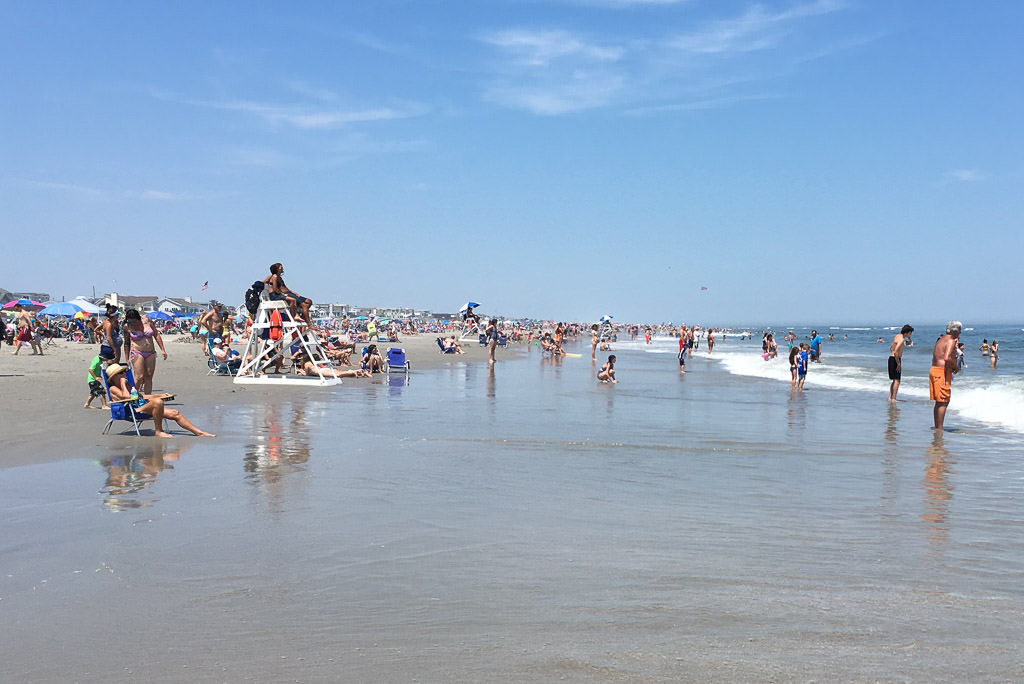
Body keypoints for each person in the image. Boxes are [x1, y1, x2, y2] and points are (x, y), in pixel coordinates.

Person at [105, 363, 214, 437]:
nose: (124, 374)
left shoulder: (128, 385)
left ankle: (199, 433)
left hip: (144, 407)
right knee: (157, 403)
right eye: (121, 373)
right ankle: (158, 431)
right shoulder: (113, 388)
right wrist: (123, 384)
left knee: (175, 413)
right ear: (114, 377)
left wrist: (160, 395)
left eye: (124, 372)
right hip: (133, 412)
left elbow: (142, 397)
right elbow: (126, 397)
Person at [123, 309, 168, 396]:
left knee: (149, 376)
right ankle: (134, 396)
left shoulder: (148, 321)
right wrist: (126, 358)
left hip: (150, 352)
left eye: (134, 321)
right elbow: (126, 343)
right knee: (139, 377)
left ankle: (147, 397)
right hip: (137, 352)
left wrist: (162, 349)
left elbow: (156, 334)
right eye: (130, 321)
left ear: (139, 318)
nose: (133, 323)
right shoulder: (127, 327)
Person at [929, 321, 962, 431]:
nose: (960, 333)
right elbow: (947, 358)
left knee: (939, 402)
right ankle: (940, 428)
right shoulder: (950, 340)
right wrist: (955, 367)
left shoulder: (940, 340)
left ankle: (937, 426)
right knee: (944, 401)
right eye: (960, 331)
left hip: (934, 370)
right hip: (941, 372)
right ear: (955, 331)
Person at [264, 262, 313, 329]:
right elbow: (274, 288)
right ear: (277, 269)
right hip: (281, 295)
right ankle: (309, 324)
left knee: (309, 301)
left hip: (289, 293)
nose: (282, 268)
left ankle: (302, 317)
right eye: (281, 267)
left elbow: (285, 287)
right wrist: (282, 294)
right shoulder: (274, 276)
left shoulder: (279, 277)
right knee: (304, 305)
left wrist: (293, 292)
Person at [887, 324, 914, 402]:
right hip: (895, 359)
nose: (910, 335)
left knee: (894, 380)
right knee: (897, 380)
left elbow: (891, 348)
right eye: (910, 333)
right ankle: (894, 398)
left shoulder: (897, 336)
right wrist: (898, 364)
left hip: (891, 358)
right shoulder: (901, 340)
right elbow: (896, 352)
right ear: (907, 332)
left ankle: (890, 397)